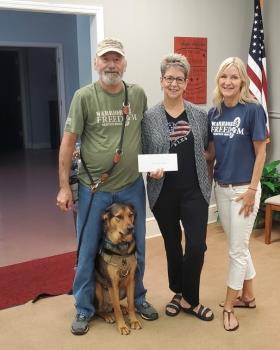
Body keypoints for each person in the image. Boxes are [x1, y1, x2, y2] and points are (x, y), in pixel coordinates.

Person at [56, 38, 158, 336]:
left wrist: (155, 164)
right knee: (87, 250)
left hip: (131, 188)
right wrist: (64, 187)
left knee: (137, 248)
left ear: (124, 63)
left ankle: (137, 299)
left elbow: (147, 135)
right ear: (96, 63)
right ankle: (85, 308)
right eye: (106, 59)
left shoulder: (137, 94)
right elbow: (68, 143)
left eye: (117, 59)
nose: (111, 64)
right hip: (93, 190)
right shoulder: (83, 96)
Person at [142, 53, 214, 321]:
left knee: (196, 246)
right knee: (173, 245)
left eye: (179, 79)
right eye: (169, 78)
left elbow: (209, 150)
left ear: (186, 84)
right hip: (163, 193)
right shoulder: (149, 118)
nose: (174, 83)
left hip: (195, 191)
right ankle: (178, 291)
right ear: (161, 81)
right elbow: (142, 153)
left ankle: (190, 300)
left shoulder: (199, 115)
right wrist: (151, 169)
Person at [207, 57, 267, 331]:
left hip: (244, 189)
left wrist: (253, 190)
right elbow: (211, 153)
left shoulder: (253, 110)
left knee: (236, 250)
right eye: (224, 77)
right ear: (218, 80)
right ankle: (249, 295)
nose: (228, 82)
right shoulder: (214, 112)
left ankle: (230, 307)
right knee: (238, 244)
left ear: (242, 80)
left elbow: (261, 151)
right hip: (222, 188)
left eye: (234, 77)